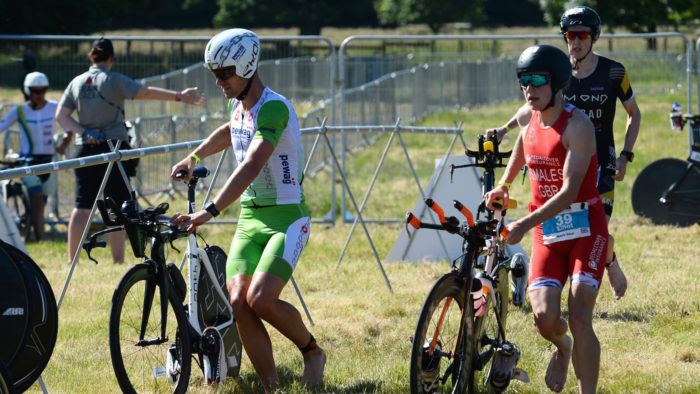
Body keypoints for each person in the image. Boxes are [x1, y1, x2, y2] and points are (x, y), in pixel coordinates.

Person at [170, 28, 326, 391]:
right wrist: (194, 156)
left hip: (287, 218)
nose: (218, 81)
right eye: (214, 74)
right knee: (239, 302)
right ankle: (271, 386)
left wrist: (208, 211)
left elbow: (253, 163)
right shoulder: (238, 105)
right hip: (251, 217)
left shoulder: (273, 107)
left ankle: (312, 351)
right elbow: (232, 129)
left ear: (248, 65)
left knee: (260, 299)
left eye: (225, 73)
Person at [487, 6, 636, 301]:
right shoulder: (555, 72)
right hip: (562, 162)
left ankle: (608, 262)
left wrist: (625, 156)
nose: (575, 42)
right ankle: (561, 283)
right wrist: (504, 129)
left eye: (582, 35)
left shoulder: (614, 72)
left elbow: (634, 113)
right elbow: (531, 109)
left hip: (601, 165)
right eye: (570, 36)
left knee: (597, 229)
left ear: (593, 37)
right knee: (563, 228)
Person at [484, 44, 608, 393]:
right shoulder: (528, 115)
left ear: (557, 84)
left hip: (585, 224)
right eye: (524, 80)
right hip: (548, 231)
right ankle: (562, 347)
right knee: (544, 318)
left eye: (538, 80)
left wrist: (523, 223)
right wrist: (506, 185)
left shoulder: (578, 126)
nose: (529, 88)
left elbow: (570, 191)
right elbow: (524, 145)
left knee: (580, 315)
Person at [56, 37, 205, 264]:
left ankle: (71, 260)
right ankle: (118, 260)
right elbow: (144, 92)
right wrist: (178, 97)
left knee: (82, 206)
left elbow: (61, 116)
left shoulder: (76, 83)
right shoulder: (113, 80)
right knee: (118, 207)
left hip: (85, 150)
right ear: (112, 58)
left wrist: (84, 132)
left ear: (90, 57)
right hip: (114, 149)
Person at [0, 71, 71, 241]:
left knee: (39, 205)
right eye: (35, 91)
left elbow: (69, 129)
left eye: (43, 90)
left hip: (48, 163)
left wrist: (63, 146)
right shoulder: (19, 110)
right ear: (27, 91)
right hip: (28, 163)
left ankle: (29, 231)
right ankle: (42, 239)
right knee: (38, 201)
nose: (40, 95)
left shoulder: (54, 107)